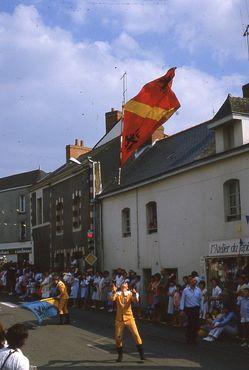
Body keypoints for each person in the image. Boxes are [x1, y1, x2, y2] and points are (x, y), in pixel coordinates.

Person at [109, 282, 145, 362]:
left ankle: (142, 355)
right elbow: (112, 299)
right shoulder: (117, 294)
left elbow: (136, 300)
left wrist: (135, 294)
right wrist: (113, 291)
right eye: (122, 286)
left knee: (136, 335)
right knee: (118, 338)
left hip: (129, 318)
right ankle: (120, 355)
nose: (123, 287)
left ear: (127, 287)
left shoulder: (131, 293)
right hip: (119, 320)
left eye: (125, 285)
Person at [180, 277, 202, 345]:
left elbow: (200, 300)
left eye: (195, 281)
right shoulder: (185, 290)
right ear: (190, 282)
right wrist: (181, 310)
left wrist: (201, 309)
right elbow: (182, 300)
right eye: (192, 281)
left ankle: (194, 338)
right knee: (189, 324)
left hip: (196, 309)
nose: (194, 282)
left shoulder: (198, 290)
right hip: (189, 309)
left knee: (196, 325)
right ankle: (188, 338)